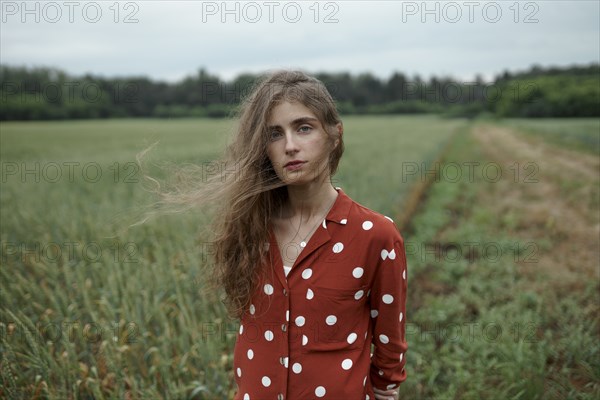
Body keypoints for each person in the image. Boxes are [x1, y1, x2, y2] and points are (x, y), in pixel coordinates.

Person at [140, 70, 408, 399]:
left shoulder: (376, 235)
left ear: (334, 134)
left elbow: (389, 340)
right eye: (274, 134)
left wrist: (385, 390)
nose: (290, 146)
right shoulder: (248, 227)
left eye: (304, 128)